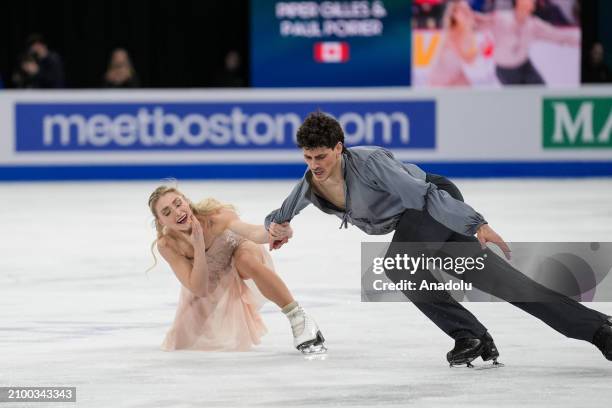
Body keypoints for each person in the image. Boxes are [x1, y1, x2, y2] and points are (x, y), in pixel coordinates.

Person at [265, 112, 612, 367]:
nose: (315, 165)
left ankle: (468, 334)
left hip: (434, 204)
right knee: (507, 284)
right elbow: (282, 213)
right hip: (417, 224)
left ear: (339, 148)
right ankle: (600, 331)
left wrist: (476, 223)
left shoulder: (370, 163)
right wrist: (278, 228)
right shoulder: (311, 182)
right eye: (308, 157)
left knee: (399, 264)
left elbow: (423, 195)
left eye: (321, 156)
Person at [147, 185, 326, 354]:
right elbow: (199, 289)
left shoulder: (215, 217)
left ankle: (298, 318)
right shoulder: (168, 244)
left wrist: (275, 232)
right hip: (210, 279)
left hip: (240, 251)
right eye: (167, 212)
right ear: (160, 221)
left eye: (178, 204)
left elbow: (252, 232)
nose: (177, 212)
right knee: (182, 344)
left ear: (186, 201)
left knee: (245, 260)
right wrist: (198, 247)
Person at [475, 0, 580, 85]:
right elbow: (478, 22)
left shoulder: (534, 25)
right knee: (520, 100)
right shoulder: (500, 18)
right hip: (505, 69)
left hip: (524, 65)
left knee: (541, 92)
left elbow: (559, 36)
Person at [428, 0, 480, 86]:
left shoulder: (467, 29)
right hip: (441, 76)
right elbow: (466, 58)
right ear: (454, 14)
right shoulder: (452, 32)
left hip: (455, 72)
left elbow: (470, 60)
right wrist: (479, 51)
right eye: (462, 10)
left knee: (470, 90)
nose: (466, 12)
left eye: (466, 9)